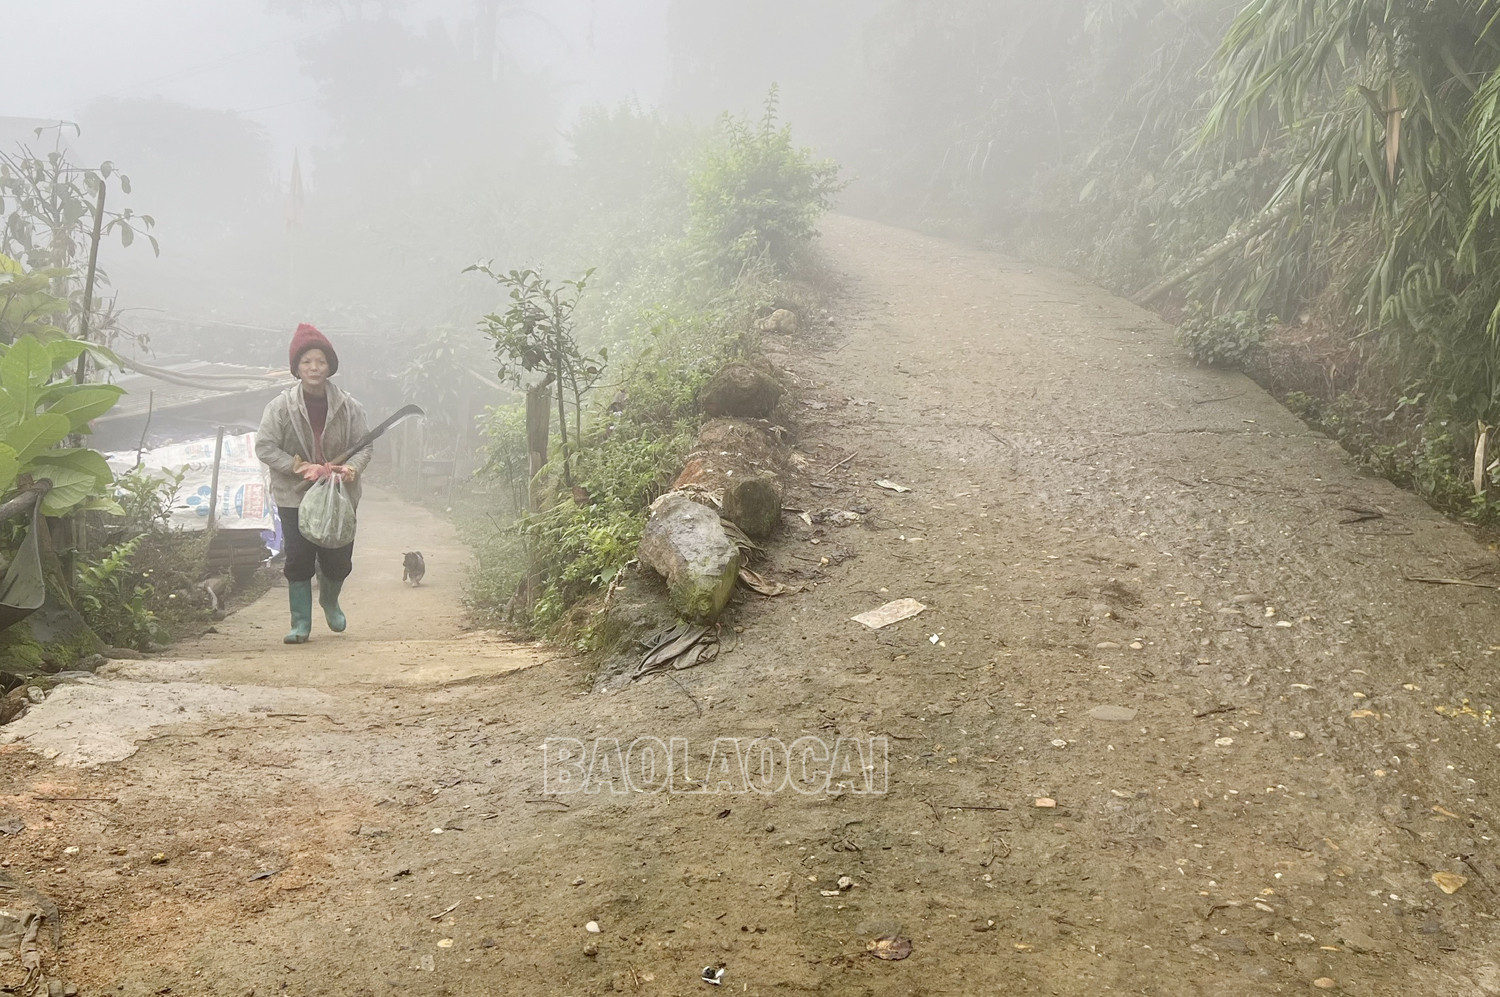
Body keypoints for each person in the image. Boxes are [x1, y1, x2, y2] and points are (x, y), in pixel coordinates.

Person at [255, 323, 372, 644]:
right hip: (294, 494)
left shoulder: (349, 407)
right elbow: (264, 446)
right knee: (298, 557)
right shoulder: (280, 408)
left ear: (330, 366)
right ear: (297, 367)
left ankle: (330, 600)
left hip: (339, 495)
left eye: (320, 361)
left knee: (338, 559)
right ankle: (300, 623)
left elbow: (365, 446)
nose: (314, 368)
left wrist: (350, 469)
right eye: (307, 362)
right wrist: (300, 467)